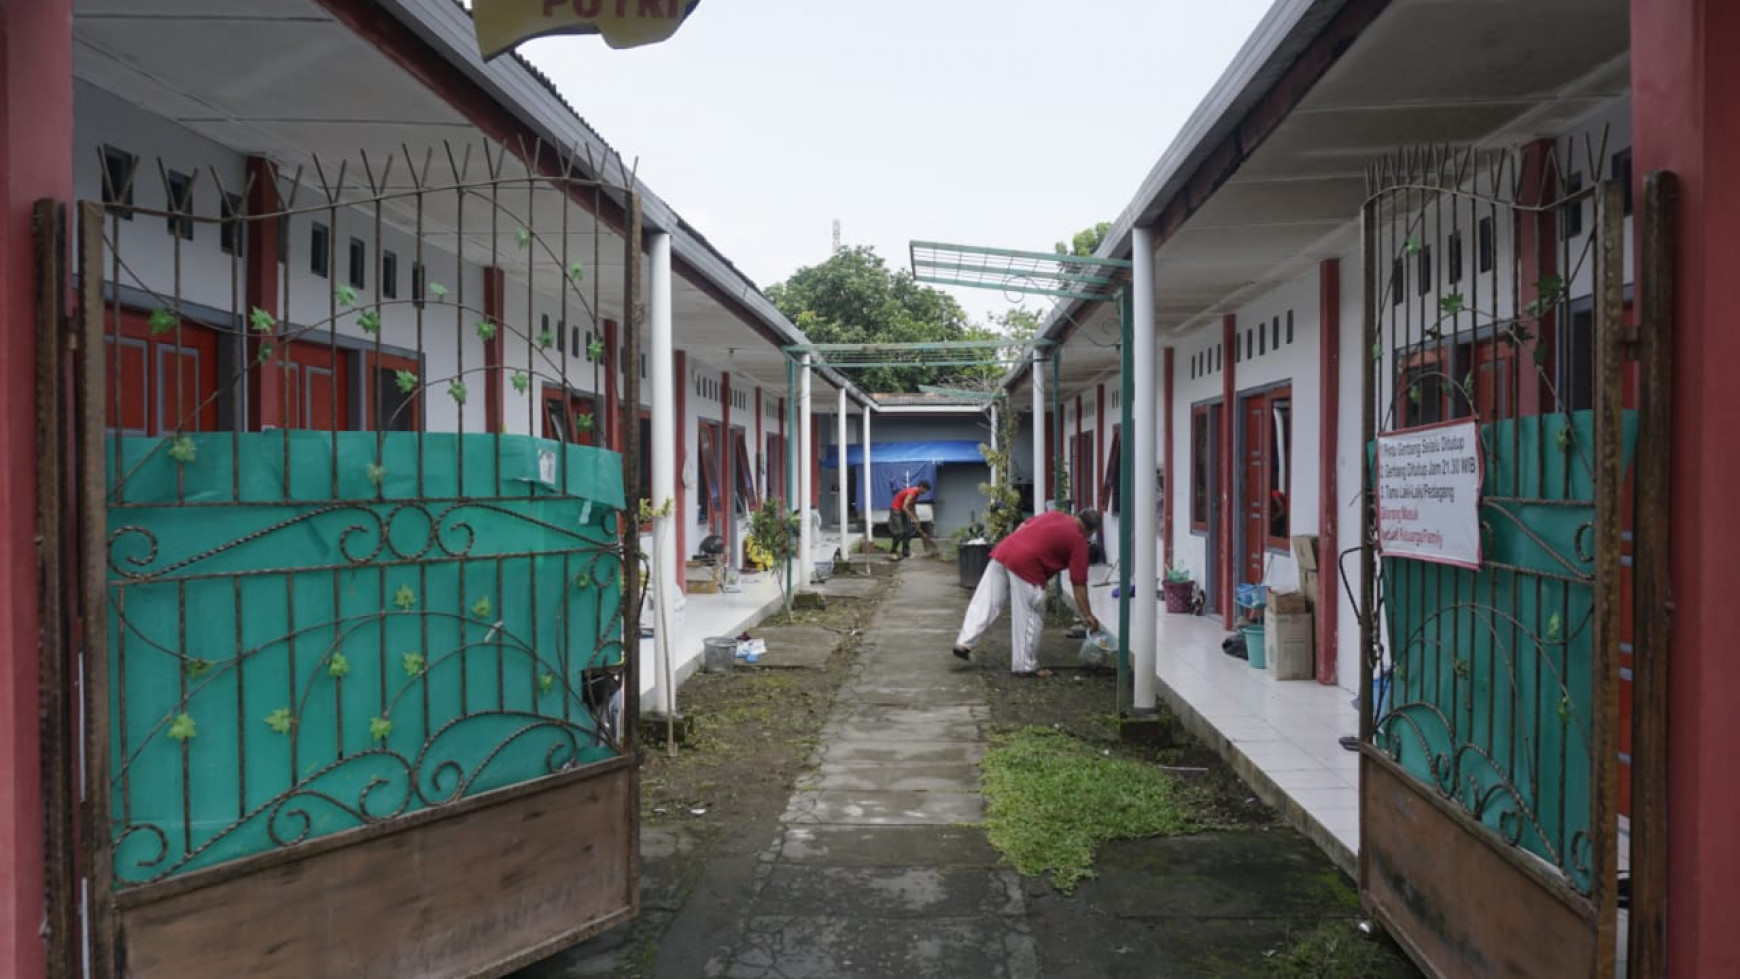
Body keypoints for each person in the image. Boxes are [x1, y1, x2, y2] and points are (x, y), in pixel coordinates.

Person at [953, 508, 1102, 677]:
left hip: (1005, 551)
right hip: (1028, 565)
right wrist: (1088, 614)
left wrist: (1019, 548)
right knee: (1031, 612)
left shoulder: (1054, 515)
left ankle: (964, 642)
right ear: (1090, 531)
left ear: (1078, 516)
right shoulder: (1079, 541)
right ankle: (1025, 666)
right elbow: (1078, 583)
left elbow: (1023, 525)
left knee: (985, 601)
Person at [887, 480, 931, 560]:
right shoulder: (912, 492)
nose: (925, 492)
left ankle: (906, 553)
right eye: (925, 490)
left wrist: (916, 517)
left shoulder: (917, 494)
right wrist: (913, 517)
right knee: (899, 532)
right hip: (896, 509)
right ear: (921, 487)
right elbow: (905, 507)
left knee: (907, 532)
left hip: (903, 510)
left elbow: (912, 505)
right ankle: (893, 552)